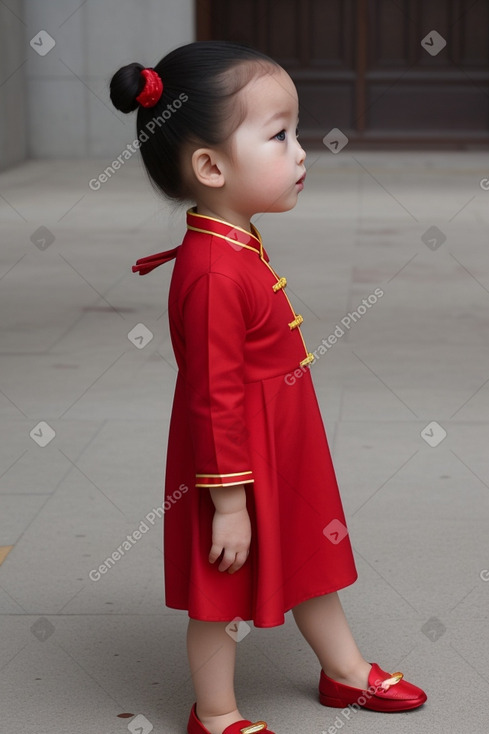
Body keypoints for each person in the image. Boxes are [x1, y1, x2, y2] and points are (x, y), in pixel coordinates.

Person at [110, 40, 427, 734]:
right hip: (232, 456)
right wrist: (227, 503)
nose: (301, 150)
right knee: (219, 592)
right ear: (210, 165)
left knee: (309, 553)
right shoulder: (215, 271)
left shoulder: (232, 239)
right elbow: (213, 394)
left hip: (277, 439)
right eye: (279, 134)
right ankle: (215, 712)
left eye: (296, 130)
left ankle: (343, 672)